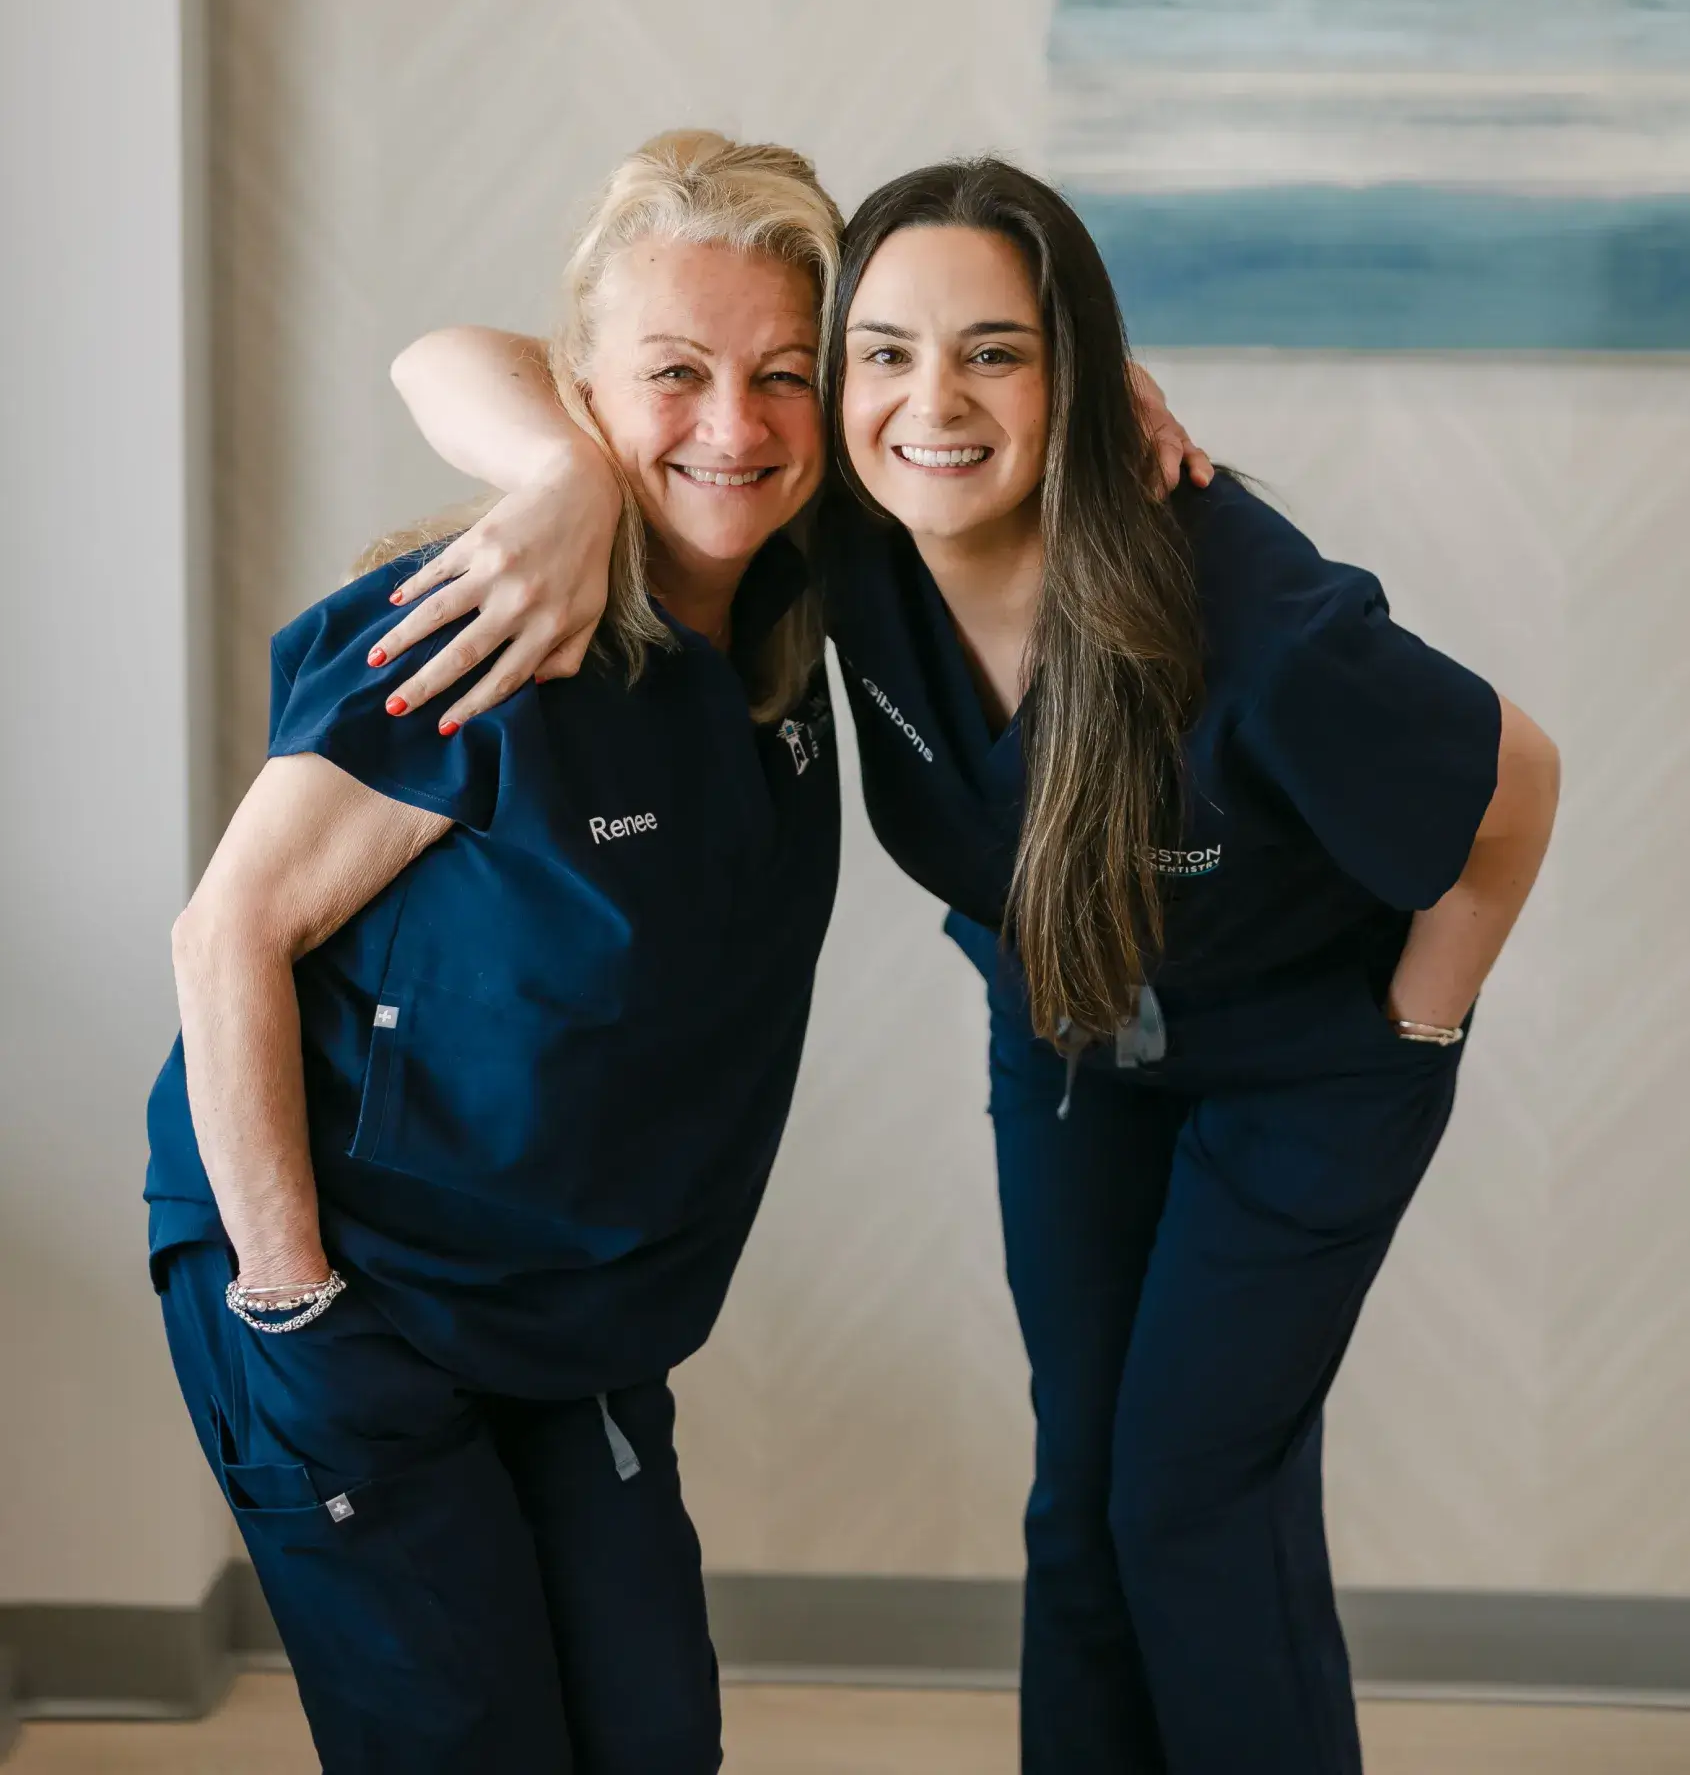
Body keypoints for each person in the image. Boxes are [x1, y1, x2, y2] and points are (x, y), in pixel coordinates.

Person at [381, 158, 1558, 1775]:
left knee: (1192, 1498)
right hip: (1070, 1036)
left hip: (1301, 1075)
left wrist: (1413, 1036)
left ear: (1071, 372)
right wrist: (563, 476)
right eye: (886, 352)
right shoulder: (845, 540)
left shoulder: (1248, 617)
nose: (931, 400)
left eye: (996, 351)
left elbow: (1516, 788)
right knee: (1080, 1489)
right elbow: (445, 357)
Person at [144, 132, 849, 1775]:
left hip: (572, 1318)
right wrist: (292, 1302)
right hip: (351, 1285)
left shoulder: (792, 610)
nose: (733, 427)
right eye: (673, 374)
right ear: (584, 392)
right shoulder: (486, 621)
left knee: (653, 1739)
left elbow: (967, 418)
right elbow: (226, 931)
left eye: (783, 374)